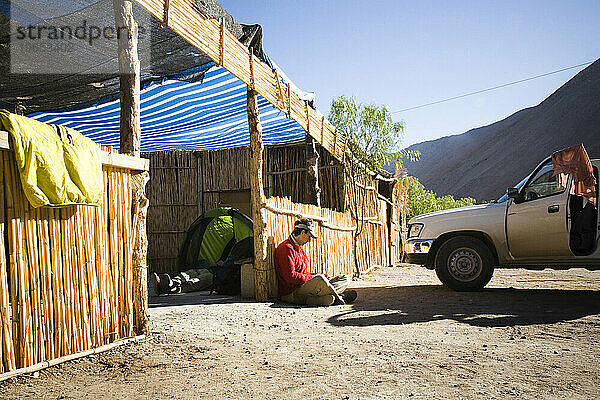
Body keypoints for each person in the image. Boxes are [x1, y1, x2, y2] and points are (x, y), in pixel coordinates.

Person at [275, 218, 357, 306]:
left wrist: (315, 275)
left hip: (306, 287)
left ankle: (320, 299)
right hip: (292, 292)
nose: (309, 240)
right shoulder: (286, 248)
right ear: (302, 232)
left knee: (344, 278)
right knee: (320, 280)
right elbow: (290, 276)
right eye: (309, 236)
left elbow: (303, 273)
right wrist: (313, 278)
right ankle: (340, 298)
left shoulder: (299, 247)